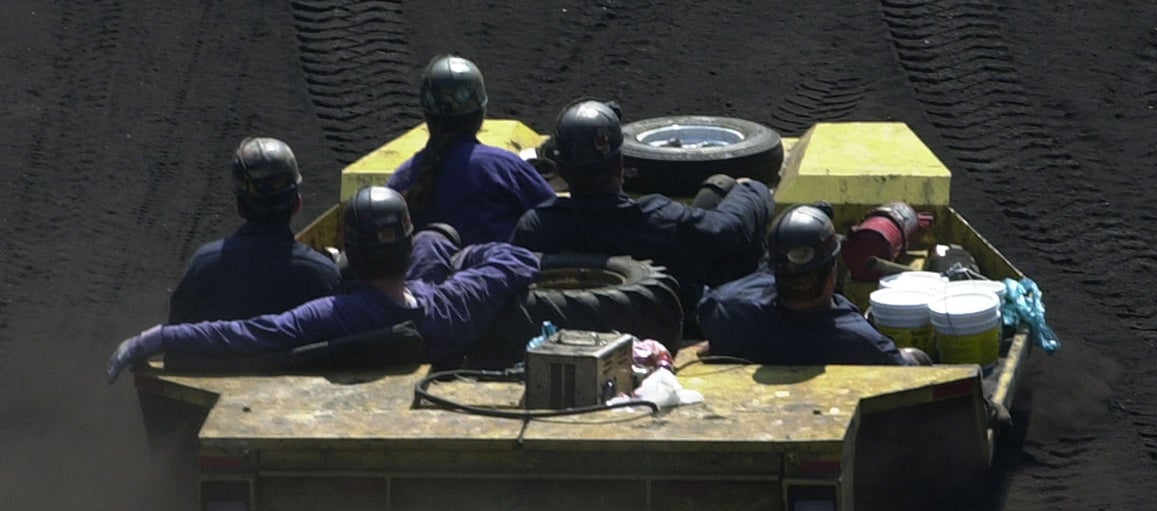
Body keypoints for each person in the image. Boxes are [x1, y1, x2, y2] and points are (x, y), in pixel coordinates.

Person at [107, 186, 539, 382]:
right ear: (408, 253)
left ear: (349, 255)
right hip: (430, 316)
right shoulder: (454, 306)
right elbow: (515, 259)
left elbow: (249, 334)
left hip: (389, 309)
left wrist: (157, 337)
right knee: (439, 240)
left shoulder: (338, 315)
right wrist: (463, 258)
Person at [509, 99, 774, 329]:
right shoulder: (659, 219)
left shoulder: (536, 226)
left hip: (568, 326)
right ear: (620, 165)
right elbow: (730, 229)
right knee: (722, 189)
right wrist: (751, 189)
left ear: (562, 171)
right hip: (670, 325)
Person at [696, 202, 915, 366]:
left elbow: (742, 292)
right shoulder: (861, 342)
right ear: (832, 273)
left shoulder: (725, 310)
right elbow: (905, 369)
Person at [385, 54, 557, 245]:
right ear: (481, 114)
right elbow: (556, 222)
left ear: (426, 115)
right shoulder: (505, 168)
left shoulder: (401, 179)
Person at [168, 137, 341, 324]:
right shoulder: (323, 276)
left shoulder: (203, 266)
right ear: (297, 204)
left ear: (240, 207)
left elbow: (177, 337)